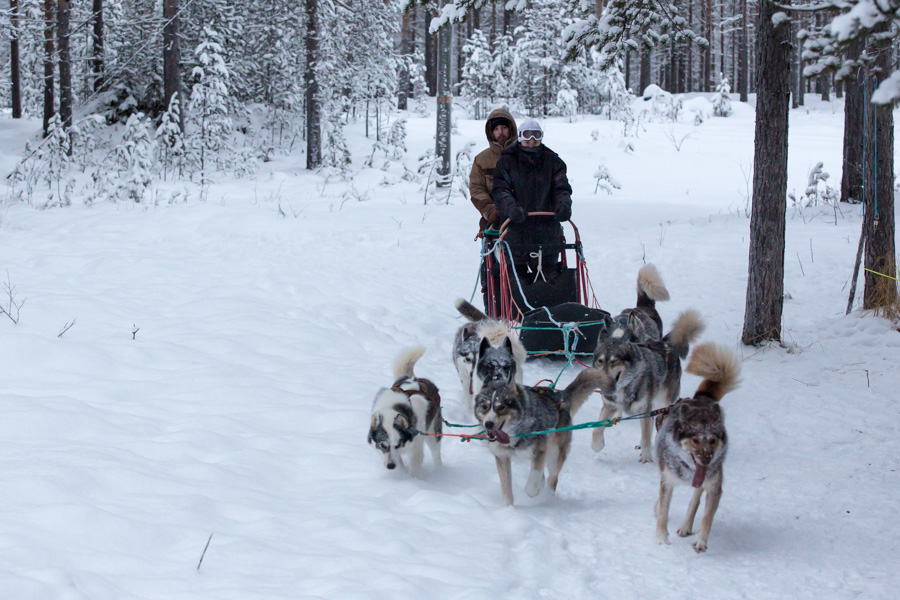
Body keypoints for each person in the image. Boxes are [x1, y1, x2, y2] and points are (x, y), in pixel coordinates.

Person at [491, 119, 572, 279]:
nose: (532, 140)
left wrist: (563, 205)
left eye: (536, 135)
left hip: (547, 231)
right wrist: (511, 208)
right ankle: (516, 303)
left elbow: (561, 188)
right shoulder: (507, 161)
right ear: (520, 137)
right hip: (515, 230)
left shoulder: (553, 161)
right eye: (527, 135)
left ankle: (549, 302)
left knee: (548, 280)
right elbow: (501, 190)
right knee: (515, 280)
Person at [469, 108, 518, 233]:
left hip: (526, 216)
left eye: (504, 128)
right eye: (496, 129)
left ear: (511, 129)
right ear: (491, 132)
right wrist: (489, 210)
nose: (500, 132)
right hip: (495, 219)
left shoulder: (525, 154)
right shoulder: (482, 160)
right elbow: (476, 189)